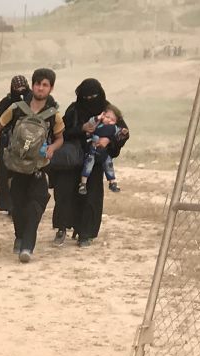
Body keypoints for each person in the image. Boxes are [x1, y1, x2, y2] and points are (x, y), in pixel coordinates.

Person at [0, 68, 65, 263]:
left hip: (39, 168)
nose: (41, 88)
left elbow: (60, 138)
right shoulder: (16, 108)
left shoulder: (54, 115)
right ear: (32, 85)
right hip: (16, 167)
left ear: (51, 88)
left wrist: (52, 147)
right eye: (38, 84)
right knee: (18, 206)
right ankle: (19, 237)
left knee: (36, 206)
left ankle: (27, 246)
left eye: (45, 85)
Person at [51, 78, 130, 247]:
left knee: (91, 195)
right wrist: (81, 129)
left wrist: (109, 141)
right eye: (86, 97)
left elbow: (123, 132)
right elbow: (60, 132)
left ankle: (85, 233)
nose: (90, 100)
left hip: (95, 159)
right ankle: (62, 228)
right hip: (72, 158)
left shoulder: (109, 111)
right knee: (65, 192)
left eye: (94, 96)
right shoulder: (74, 110)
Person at [0, 75, 30, 214]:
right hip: (7, 145)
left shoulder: (32, 101)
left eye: (23, 88)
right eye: (17, 89)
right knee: (5, 174)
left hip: (27, 144)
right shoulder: (6, 102)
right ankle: (9, 205)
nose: (20, 91)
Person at [79, 105, 123, 195]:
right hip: (92, 150)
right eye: (107, 117)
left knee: (109, 164)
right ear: (103, 115)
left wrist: (123, 132)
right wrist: (98, 117)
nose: (109, 120)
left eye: (112, 120)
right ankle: (83, 183)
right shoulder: (97, 124)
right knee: (88, 165)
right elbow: (90, 123)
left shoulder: (113, 128)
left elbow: (119, 135)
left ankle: (112, 182)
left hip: (103, 151)